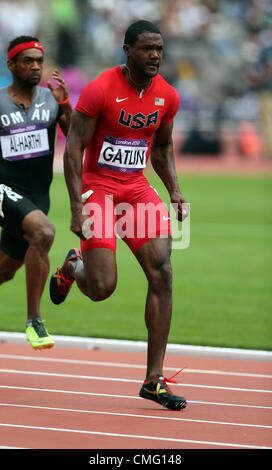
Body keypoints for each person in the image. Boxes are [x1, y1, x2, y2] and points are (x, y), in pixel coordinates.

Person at [50, 20, 189, 410]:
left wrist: (174, 190)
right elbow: (74, 150)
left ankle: (154, 379)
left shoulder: (167, 96)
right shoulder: (100, 90)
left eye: (159, 48)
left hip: (136, 188)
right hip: (99, 188)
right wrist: (77, 207)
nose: (155, 56)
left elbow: (161, 150)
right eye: (147, 49)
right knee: (101, 288)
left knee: (162, 270)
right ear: (127, 51)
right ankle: (72, 267)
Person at [0, 35, 72, 349]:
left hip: (36, 196)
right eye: (27, 61)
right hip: (3, 189)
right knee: (43, 232)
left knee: (5, 269)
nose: (35, 66)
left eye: (39, 61)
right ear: (11, 64)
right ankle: (35, 321)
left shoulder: (51, 99)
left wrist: (65, 104)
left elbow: (76, 139)